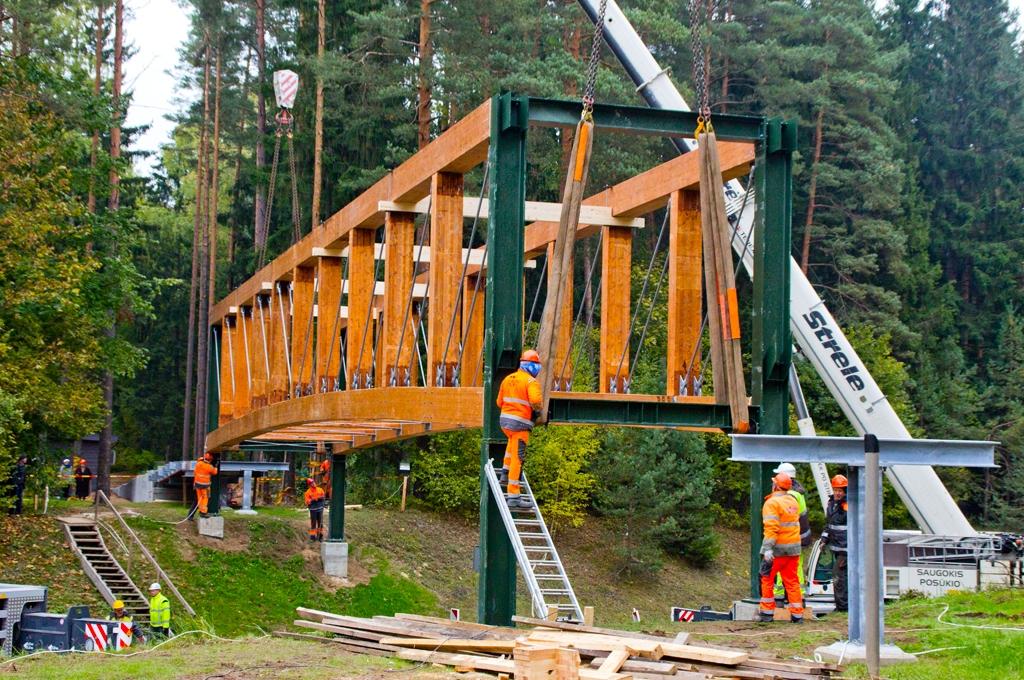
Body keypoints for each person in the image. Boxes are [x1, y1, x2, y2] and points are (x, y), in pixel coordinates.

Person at [496, 349, 543, 509]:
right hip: (520, 425)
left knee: (511, 446)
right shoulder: (531, 382)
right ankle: (514, 495)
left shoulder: (507, 379)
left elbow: (499, 402)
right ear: (531, 366)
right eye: (537, 365)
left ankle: (505, 473)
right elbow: (536, 401)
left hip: (505, 423)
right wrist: (537, 411)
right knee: (518, 457)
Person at [758, 471, 804, 624]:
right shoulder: (793, 501)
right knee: (792, 581)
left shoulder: (772, 503)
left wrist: (767, 549)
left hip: (777, 550)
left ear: (776, 486)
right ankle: (797, 615)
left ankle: (767, 613)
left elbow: (772, 528)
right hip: (793, 549)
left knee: (767, 578)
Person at [771, 462, 811, 596]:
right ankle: (797, 594)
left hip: (790, 537)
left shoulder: (790, 495)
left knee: (785, 565)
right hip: (799, 536)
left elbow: (786, 517)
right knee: (796, 566)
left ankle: (783, 595)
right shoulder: (798, 493)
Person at [823, 474, 849, 612]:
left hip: (846, 549)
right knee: (841, 577)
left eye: (840, 490)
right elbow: (829, 524)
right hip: (837, 548)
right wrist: (823, 540)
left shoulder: (847, 506)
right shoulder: (831, 504)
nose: (838, 493)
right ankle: (842, 605)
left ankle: (843, 607)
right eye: (836, 490)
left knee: (838, 577)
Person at [194, 452, 218, 517]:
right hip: (205, 486)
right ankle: (203, 512)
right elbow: (215, 472)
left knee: (199, 498)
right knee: (205, 498)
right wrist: (216, 466)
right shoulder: (209, 467)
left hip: (197, 484)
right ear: (210, 460)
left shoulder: (198, 463)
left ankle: (200, 510)